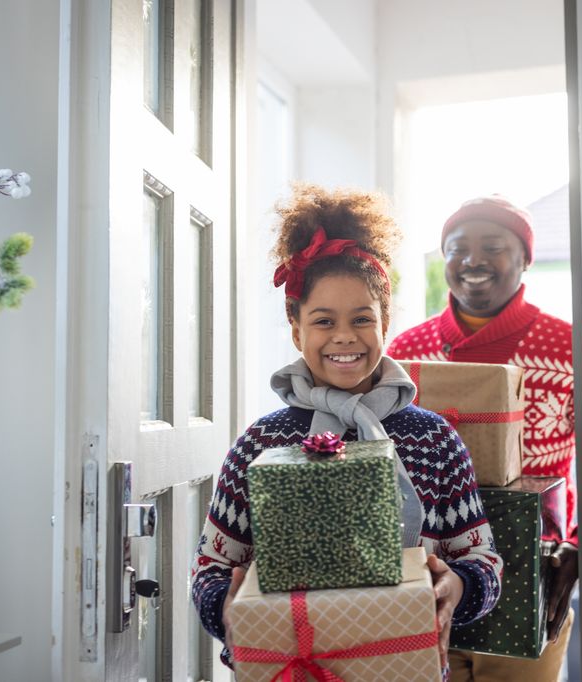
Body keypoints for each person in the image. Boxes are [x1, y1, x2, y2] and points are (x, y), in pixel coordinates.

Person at [191, 184, 504, 674]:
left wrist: (457, 587)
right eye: (322, 321)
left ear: (386, 322)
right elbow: (209, 573)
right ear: (296, 330)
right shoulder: (260, 445)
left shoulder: (435, 441)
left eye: (362, 318)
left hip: (403, 666)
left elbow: (483, 560)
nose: (344, 336)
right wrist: (230, 608)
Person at [387, 195, 578, 682]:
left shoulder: (570, 346)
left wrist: (579, 544)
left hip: (533, 574)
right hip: (425, 578)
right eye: (457, 247)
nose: (473, 259)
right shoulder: (406, 352)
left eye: (492, 245)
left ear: (524, 259)